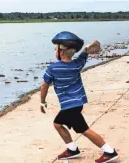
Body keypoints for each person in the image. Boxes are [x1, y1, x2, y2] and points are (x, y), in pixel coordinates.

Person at [40, 31, 119, 163]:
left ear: (61, 51)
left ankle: (109, 152)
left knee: (84, 129)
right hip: (77, 103)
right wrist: (87, 48)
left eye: (55, 48)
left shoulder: (53, 68)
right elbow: (84, 54)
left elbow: (44, 86)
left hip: (69, 105)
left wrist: (42, 102)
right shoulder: (77, 65)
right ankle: (72, 149)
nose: (55, 51)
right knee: (58, 123)